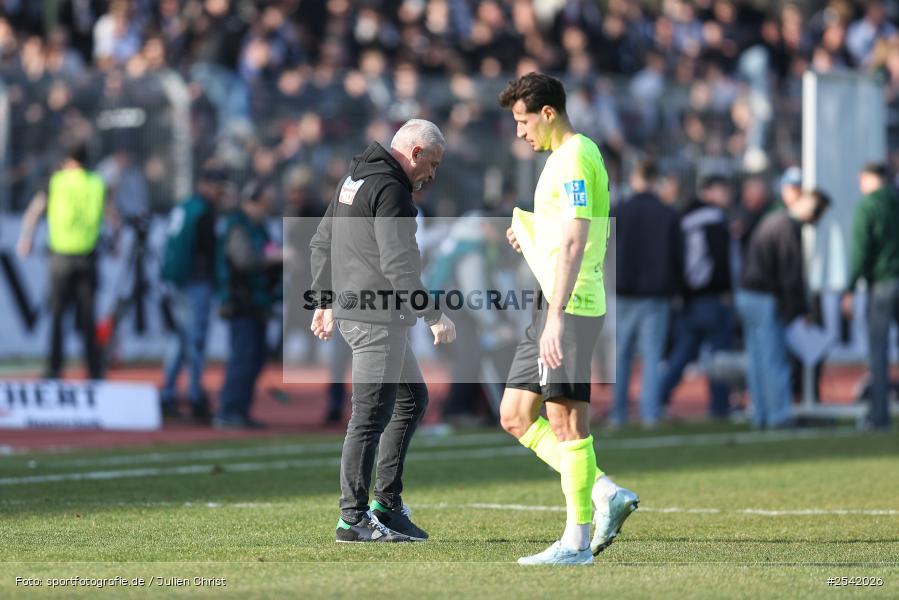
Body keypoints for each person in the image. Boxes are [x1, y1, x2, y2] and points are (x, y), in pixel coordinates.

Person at [497, 72, 638, 566]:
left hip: (570, 305)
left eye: (522, 121)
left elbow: (578, 238)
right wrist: (530, 236)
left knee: (566, 423)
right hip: (552, 301)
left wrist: (556, 317)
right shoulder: (564, 158)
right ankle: (602, 491)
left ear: (548, 113)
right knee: (515, 415)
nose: (520, 132)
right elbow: (563, 233)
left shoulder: (576, 156)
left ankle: (576, 543)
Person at [309, 119, 456, 543]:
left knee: (411, 399)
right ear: (416, 154)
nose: (433, 173)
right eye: (434, 163)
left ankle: (386, 506)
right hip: (376, 319)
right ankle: (352, 519)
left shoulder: (354, 178)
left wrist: (324, 299)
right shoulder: (392, 190)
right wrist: (433, 315)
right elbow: (398, 266)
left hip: (362, 313)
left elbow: (321, 240)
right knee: (370, 416)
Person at [16, 145, 116, 380]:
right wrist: (116, 242)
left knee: (59, 316)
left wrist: (26, 238)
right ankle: (94, 370)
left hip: (60, 257)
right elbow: (113, 216)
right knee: (88, 318)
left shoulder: (56, 182)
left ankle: (54, 369)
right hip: (88, 257)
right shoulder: (96, 183)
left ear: (69, 161)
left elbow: (34, 212)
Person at [738, 189, 831, 429]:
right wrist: (799, 311)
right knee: (774, 359)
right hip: (766, 296)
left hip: (748, 293)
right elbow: (790, 275)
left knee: (757, 360)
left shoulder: (771, 219)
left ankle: (761, 414)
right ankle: (778, 415)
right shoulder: (788, 227)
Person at [612, 159, 683, 427]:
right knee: (652, 355)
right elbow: (678, 256)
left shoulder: (620, 210)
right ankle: (649, 413)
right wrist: (676, 288)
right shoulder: (667, 213)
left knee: (622, 355)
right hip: (656, 294)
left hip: (625, 292)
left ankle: (618, 414)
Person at [661, 175, 735, 420]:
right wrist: (727, 290)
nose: (728, 196)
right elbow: (721, 261)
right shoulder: (713, 218)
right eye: (724, 190)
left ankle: (658, 396)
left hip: (688, 298)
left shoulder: (683, 216)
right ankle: (720, 406)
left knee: (683, 352)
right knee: (718, 354)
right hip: (712, 296)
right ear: (711, 192)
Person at [159, 162, 226, 421]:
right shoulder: (203, 212)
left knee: (180, 338)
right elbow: (208, 251)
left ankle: (168, 393)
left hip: (178, 280)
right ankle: (195, 395)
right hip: (196, 281)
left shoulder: (185, 206)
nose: (220, 191)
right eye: (218, 185)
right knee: (195, 339)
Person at [214, 180, 283, 429]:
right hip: (241, 301)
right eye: (265, 202)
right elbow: (244, 260)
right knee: (243, 357)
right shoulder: (239, 227)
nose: (267, 207)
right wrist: (273, 257)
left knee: (254, 356)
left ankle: (238, 409)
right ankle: (229, 410)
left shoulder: (256, 227)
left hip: (255, 301)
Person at [842, 163, 899, 431]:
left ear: (869, 179)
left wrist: (851, 288)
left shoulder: (868, 206)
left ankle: (879, 416)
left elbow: (861, 250)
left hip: (882, 284)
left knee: (878, 351)